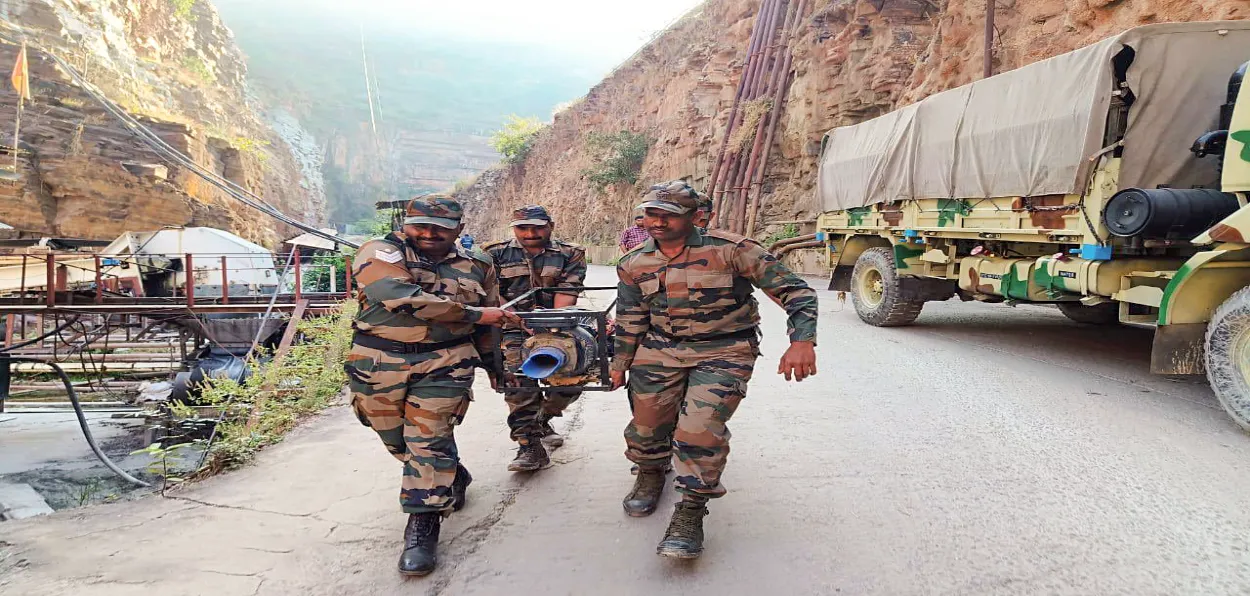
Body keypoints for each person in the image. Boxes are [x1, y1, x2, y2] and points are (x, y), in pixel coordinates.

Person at [611, 180, 819, 559]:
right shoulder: (633, 263)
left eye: (668, 215)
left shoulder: (733, 251)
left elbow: (796, 292)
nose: (656, 222)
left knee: (699, 431)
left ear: (694, 218)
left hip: (725, 350)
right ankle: (651, 472)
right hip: (659, 350)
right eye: (651, 213)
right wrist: (619, 364)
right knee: (646, 426)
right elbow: (630, 318)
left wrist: (801, 341)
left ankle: (690, 510)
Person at [345, 194, 520, 577]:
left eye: (439, 228)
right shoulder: (381, 252)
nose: (428, 233)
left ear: (458, 229)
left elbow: (489, 323)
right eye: (420, 225)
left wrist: (494, 366)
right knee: (395, 439)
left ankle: (422, 524)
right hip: (378, 360)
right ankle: (451, 473)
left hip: (446, 360)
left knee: (429, 439)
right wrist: (476, 312)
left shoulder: (478, 264)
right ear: (405, 224)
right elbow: (401, 297)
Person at [484, 205, 588, 472]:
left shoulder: (570, 253)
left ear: (550, 225)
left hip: (559, 325)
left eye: (537, 227)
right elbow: (494, 295)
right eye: (522, 228)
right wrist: (522, 322)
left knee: (569, 381)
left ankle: (543, 417)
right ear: (513, 228)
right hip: (511, 325)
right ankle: (528, 445)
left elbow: (567, 292)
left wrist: (548, 328)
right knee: (518, 383)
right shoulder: (493, 254)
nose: (530, 233)